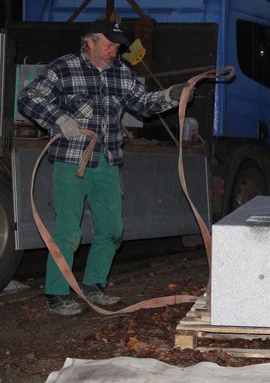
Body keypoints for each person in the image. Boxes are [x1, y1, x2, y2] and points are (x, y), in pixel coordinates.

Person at [19, 19, 193, 316]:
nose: (115, 51)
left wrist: (170, 96)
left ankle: (94, 286)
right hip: (71, 162)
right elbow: (28, 98)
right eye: (109, 45)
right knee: (68, 232)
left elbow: (142, 104)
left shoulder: (121, 73)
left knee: (112, 229)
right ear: (90, 42)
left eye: (117, 46)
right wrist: (58, 119)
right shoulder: (63, 68)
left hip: (108, 161)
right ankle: (57, 294)